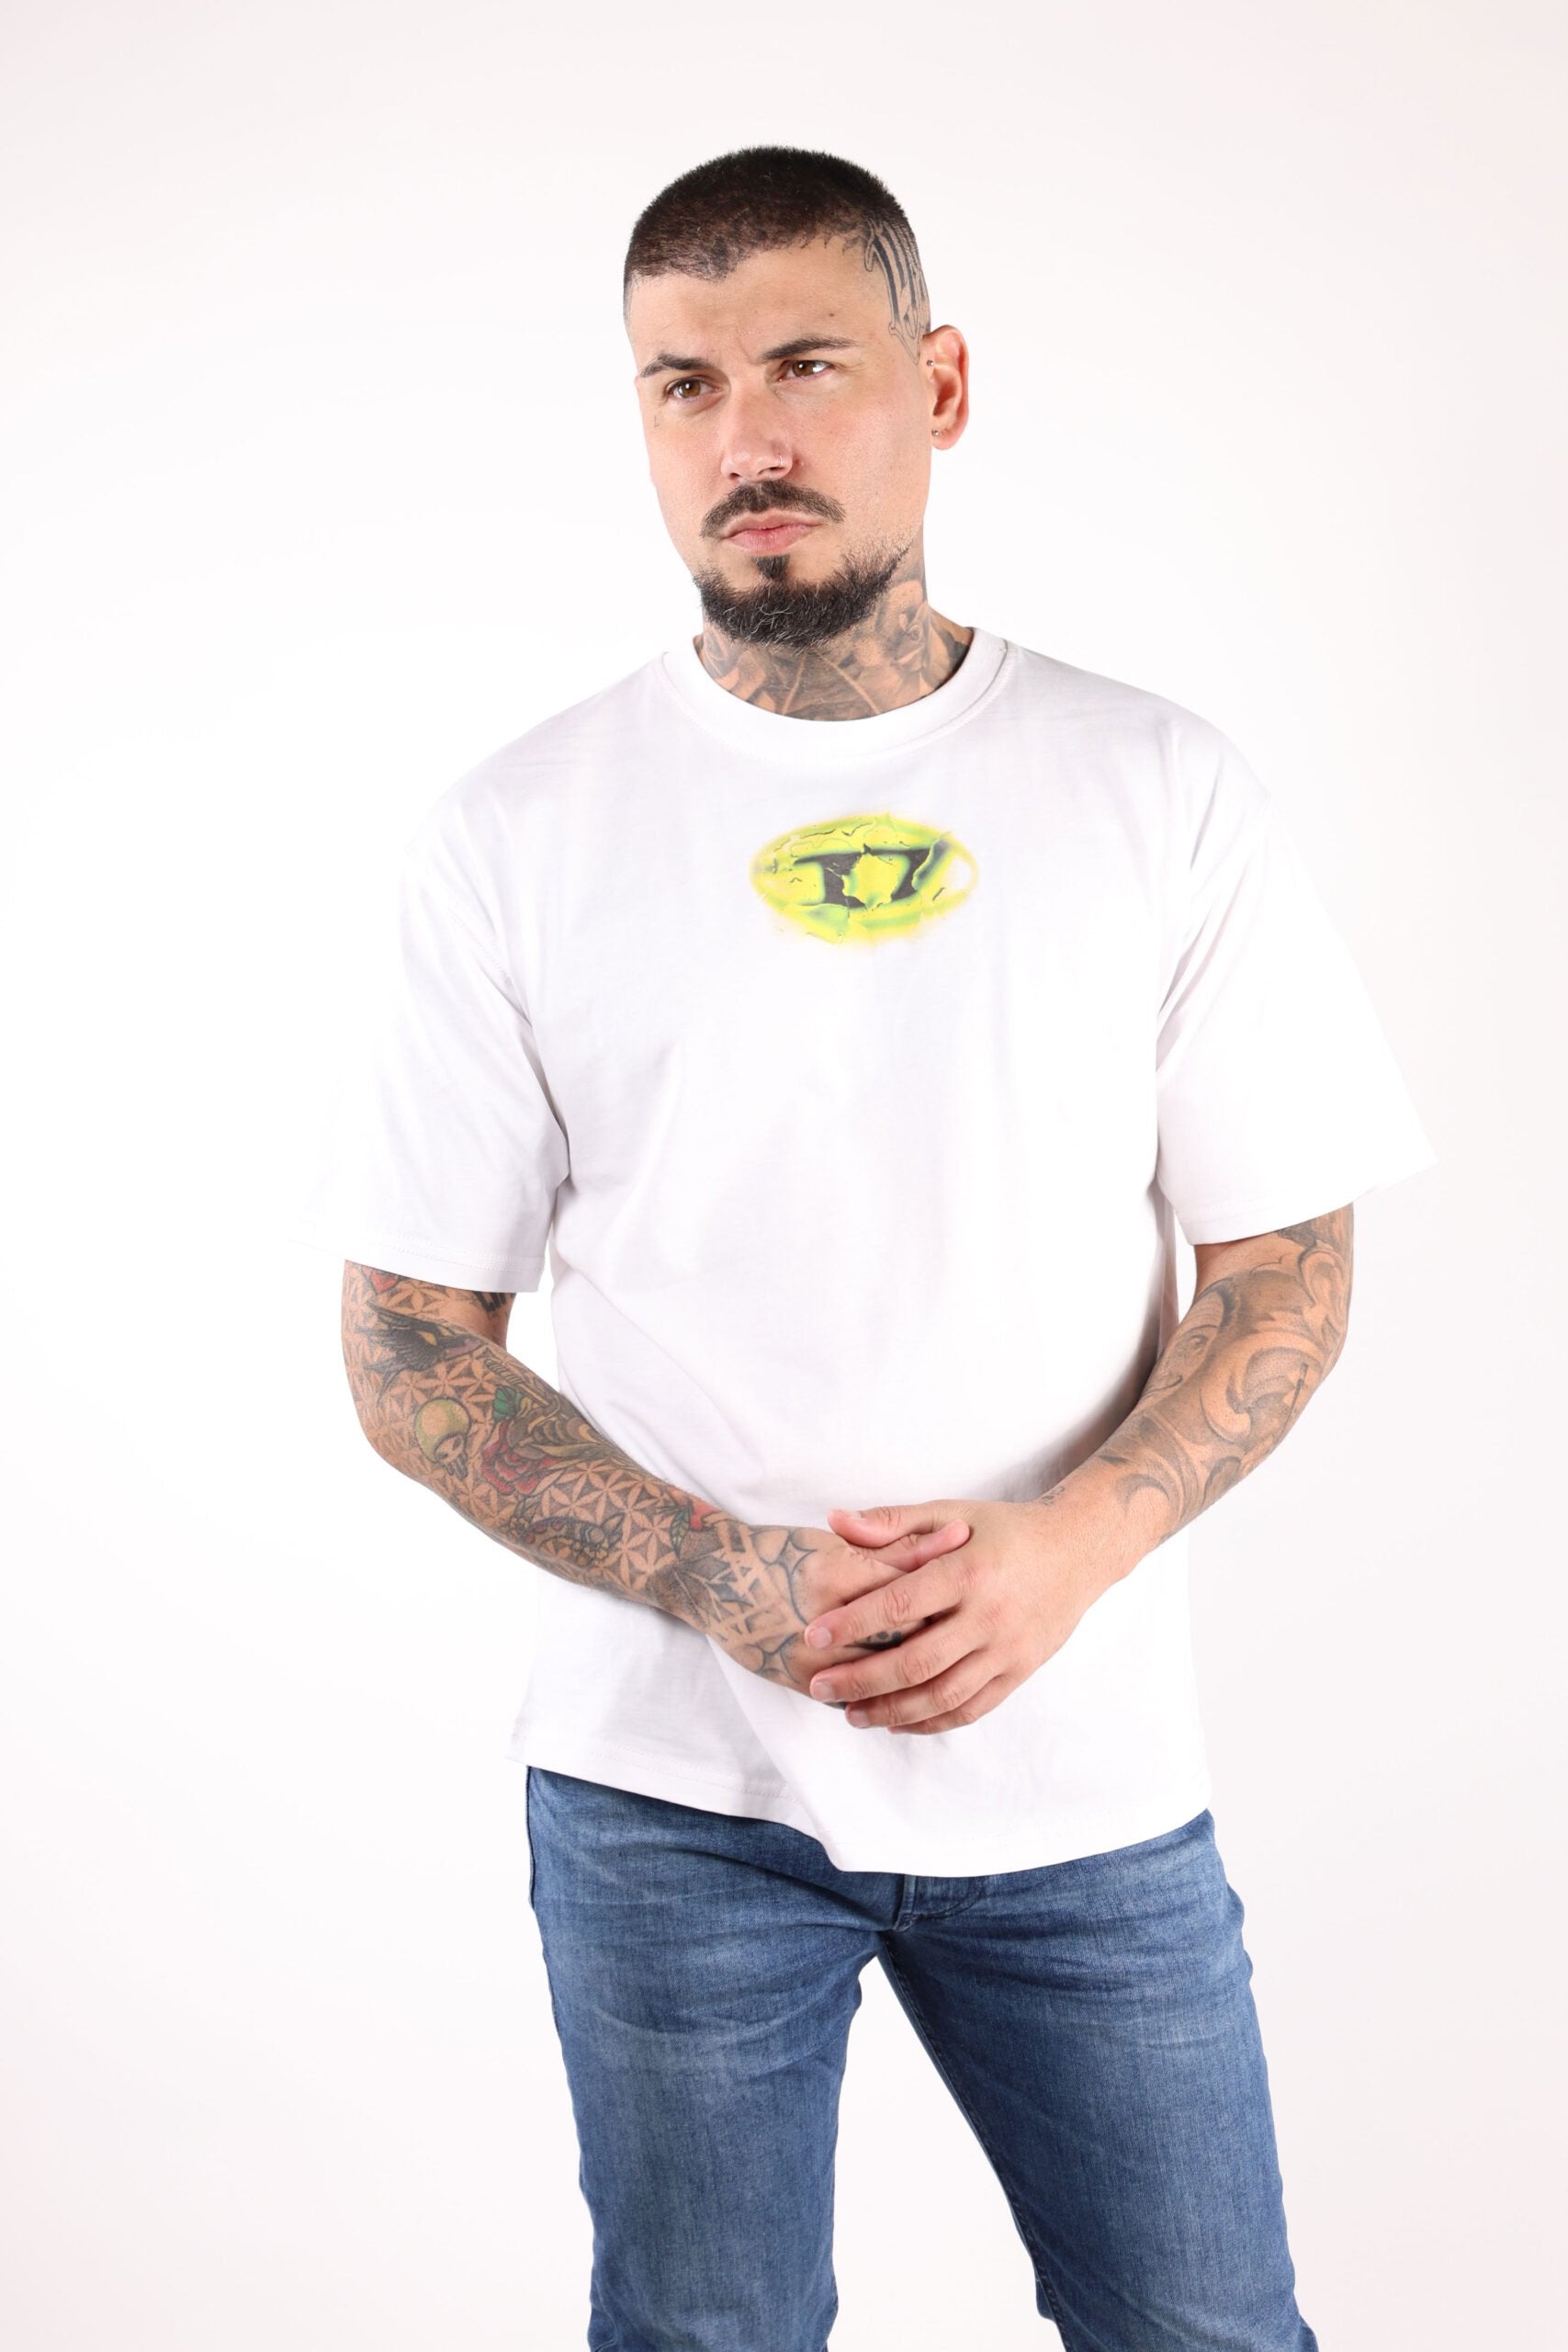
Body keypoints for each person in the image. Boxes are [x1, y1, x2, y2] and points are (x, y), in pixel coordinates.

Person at [294, 144, 1437, 2351]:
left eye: (805, 364)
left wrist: (1070, 1546)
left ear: (940, 384)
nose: (747, 438)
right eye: (683, 384)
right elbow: (408, 1345)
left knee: (1205, 2329)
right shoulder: (512, 833)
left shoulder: (1154, 786)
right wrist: (729, 1579)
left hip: (1083, 1774)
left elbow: (1284, 1256)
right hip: (670, 1797)